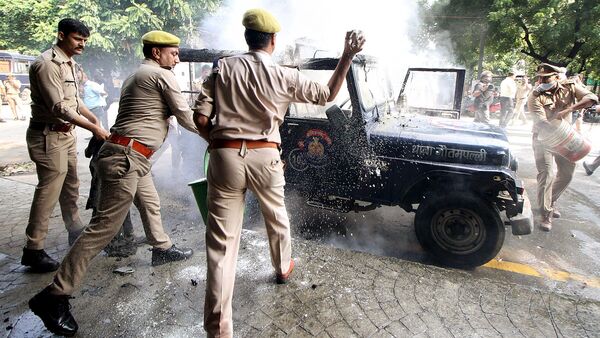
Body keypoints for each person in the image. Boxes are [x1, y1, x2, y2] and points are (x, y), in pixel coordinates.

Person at [193, 8, 365, 337]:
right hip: (266, 157)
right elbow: (328, 95)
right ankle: (283, 267)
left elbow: (200, 120)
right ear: (273, 40)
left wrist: (218, 142)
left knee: (222, 245)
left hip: (225, 155)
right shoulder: (284, 75)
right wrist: (347, 54)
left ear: (247, 38)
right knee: (277, 217)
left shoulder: (222, 69)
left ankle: (218, 330)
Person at [28, 30, 199, 336]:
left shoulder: (138, 73)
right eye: (173, 52)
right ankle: (54, 295)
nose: (178, 57)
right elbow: (186, 117)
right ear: (157, 52)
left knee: (150, 201)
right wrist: (222, 135)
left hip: (130, 156)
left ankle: (161, 247)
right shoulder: (160, 75)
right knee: (103, 228)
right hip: (126, 158)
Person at [22, 18, 110, 273]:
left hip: (65, 136)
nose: (82, 44)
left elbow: (74, 100)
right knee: (48, 192)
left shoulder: (69, 63)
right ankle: (33, 248)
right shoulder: (47, 64)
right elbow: (59, 107)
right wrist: (94, 128)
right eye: (77, 39)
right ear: (61, 35)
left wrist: (94, 118)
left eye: (84, 40)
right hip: (48, 136)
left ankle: (75, 230)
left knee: (71, 186)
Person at [528, 63, 598, 231]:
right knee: (547, 174)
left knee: (567, 174)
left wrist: (568, 110)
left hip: (566, 138)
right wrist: (557, 119)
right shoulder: (535, 96)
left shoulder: (570, 86)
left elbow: (591, 99)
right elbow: (543, 123)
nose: (541, 80)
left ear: (557, 77)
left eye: (546, 78)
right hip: (543, 138)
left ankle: (550, 201)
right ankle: (546, 214)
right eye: (540, 77)